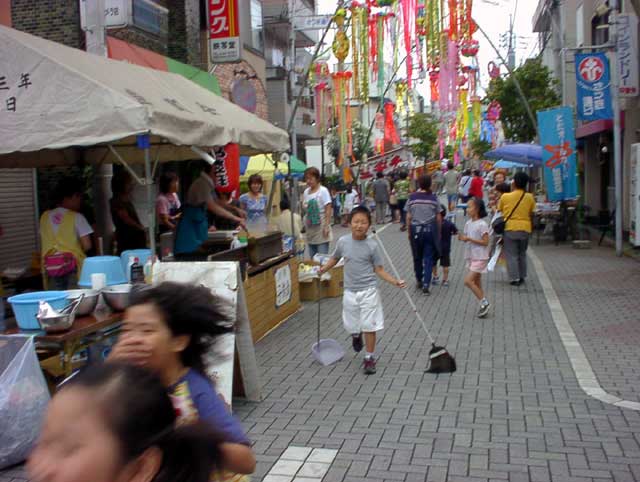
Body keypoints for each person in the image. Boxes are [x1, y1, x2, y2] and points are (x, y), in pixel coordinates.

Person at [108, 282, 256, 476]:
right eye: (127, 330)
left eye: (146, 330)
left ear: (179, 341)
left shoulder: (194, 390)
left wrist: (197, 434)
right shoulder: (129, 383)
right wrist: (110, 367)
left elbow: (246, 462)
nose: (133, 339)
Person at [28, 363, 226, 482]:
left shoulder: (197, 388)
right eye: (44, 442)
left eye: (68, 449)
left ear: (142, 468)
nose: (41, 468)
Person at [319, 206, 405, 375]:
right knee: (352, 325)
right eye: (356, 222)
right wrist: (323, 269)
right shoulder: (343, 242)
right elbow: (335, 259)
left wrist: (395, 281)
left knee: (369, 326)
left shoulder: (372, 245)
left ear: (369, 224)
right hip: (350, 292)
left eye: (363, 222)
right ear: (350, 223)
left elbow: (379, 270)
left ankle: (369, 357)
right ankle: (355, 335)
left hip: (369, 291)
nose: (359, 225)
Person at [175, 163, 245, 255]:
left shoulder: (207, 184)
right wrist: (236, 218)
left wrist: (235, 209)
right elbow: (213, 207)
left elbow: (216, 201)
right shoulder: (202, 184)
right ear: (213, 170)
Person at [40, 177, 93, 290]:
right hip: (71, 267)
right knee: (73, 300)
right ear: (74, 196)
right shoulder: (77, 217)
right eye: (80, 197)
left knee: (55, 301)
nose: (80, 201)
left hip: (50, 267)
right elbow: (87, 245)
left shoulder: (44, 217)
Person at [498, 171, 536, 286]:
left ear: (514, 182)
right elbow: (532, 212)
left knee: (512, 254)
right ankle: (522, 276)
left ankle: (514, 278)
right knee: (522, 253)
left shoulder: (505, 196)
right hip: (525, 228)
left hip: (510, 228)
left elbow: (500, 210)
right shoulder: (530, 197)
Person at [406, 175, 441, 295]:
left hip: (415, 230)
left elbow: (409, 216)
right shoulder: (433, 198)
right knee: (428, 258)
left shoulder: (412, 197)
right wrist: (439, 232)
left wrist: (408, 232)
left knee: (417, 257)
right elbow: (438, 217)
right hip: (430, 230)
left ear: (419, 184)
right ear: (430, 184)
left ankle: (419, 280)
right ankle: (426, 283)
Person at [459, 197, 491, 318]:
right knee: (477, 282)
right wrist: (462, 238)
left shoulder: (482, 224)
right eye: (467, 207)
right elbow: (467, 237)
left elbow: (485, 242)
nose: (467, 209)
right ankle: (483, 304)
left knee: (468, 281)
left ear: (477, 209)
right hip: (472, 256)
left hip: (480, 257)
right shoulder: (468, 223)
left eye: (469, 207)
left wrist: (469, 239)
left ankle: (485, 303)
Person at [111, 171, 147, 255]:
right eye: (128, 183)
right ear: (121, 184)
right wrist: (140, 227)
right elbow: (126, 218)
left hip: (135, 238)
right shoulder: (117, 202)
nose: (131, 185)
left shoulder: (126, 200)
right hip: (127, 239)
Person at [302, 167, 332, 257]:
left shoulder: (323, 191)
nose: (308, 181)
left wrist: (326, 226)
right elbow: (304, 207)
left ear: (317, 178)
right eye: (307, 179)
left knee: (321, 257)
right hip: (310, 228)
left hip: (321, 227)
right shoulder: (306, 192)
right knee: (312, 258)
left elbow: (328, 208)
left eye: (311, 178)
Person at [431, 204, 458, 287]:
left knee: (433, 263)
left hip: (435, 247)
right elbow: (455, 232)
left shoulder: (433, 224)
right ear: (445, 213)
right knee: (445, 265)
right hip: (445, 247)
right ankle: (445, 280)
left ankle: (435, 277)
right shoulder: (449, 224)